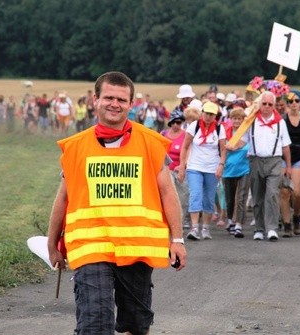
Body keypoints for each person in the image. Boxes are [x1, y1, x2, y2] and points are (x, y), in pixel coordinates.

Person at [47, 71, 186, 335]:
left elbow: (168, 193)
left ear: (131, 104)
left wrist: (177, 240)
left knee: (136, 323)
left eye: (121, 100)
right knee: (95, 323)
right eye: (108, 97)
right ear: (95, 100)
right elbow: (63, 196)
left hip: (136, 247)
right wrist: (52, 243)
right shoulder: (76, 147)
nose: (114, 104)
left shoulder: (151, 144)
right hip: (91, 247)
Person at [233, 92, 292, 241]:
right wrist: (231, 146)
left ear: (274, 106)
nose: (266, 107)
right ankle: (259, 228)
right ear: (260, 104)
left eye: (270, 104)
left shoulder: (280, 122)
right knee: (257, 195)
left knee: (272, 194)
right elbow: (243, 140)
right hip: (256, 160)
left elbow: (285, 146)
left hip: (274, 161)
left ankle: (271, 228)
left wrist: (289, 166)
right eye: (264, 104)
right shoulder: (252, 121)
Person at [178, 101, 227, 241]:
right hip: (195, 167)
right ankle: (194, 228)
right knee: (195, 195)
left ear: (215, 116)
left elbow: (223, 148)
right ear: (202, 113)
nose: (208, 117)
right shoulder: (194, 126)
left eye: (212, 114)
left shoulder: (219, 129)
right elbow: (185, 147)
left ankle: (205, 227)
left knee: (209, 198)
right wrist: (183, 166)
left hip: (212, 168)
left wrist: (221, 165)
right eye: (206, 113)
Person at [280, 90, 300, 237]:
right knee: (285, 192)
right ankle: (287, 224)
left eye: (297, 101)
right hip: (283, 156)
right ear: (287, 103)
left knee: (297, 193)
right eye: (291, 101)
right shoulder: (282, 120)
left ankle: (297, 217)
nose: (294, 104)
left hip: (299, 157)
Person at [222, 107, 250, 238]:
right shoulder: (225, 132)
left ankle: (238, 224)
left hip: (244, 169)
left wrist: (235, 146)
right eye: (234, 118)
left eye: (239, 118)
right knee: (229, 198)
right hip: (228, 170)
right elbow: (222, 148)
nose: (237, 121)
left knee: (241, 197)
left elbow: (244, 145)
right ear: (230, 119)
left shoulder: (247, 133)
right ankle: (230, 220)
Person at [161, 109, 188, 229]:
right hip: (166, 171)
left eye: (180, 122)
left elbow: (188, 151)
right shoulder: (163, 134)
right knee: (167, 197)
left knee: (182, 196)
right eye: (175, 122)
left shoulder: (186, 135)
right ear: (171, 122)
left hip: (180, 170)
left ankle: (182, 221)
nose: (177, 124)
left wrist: (183, 166)